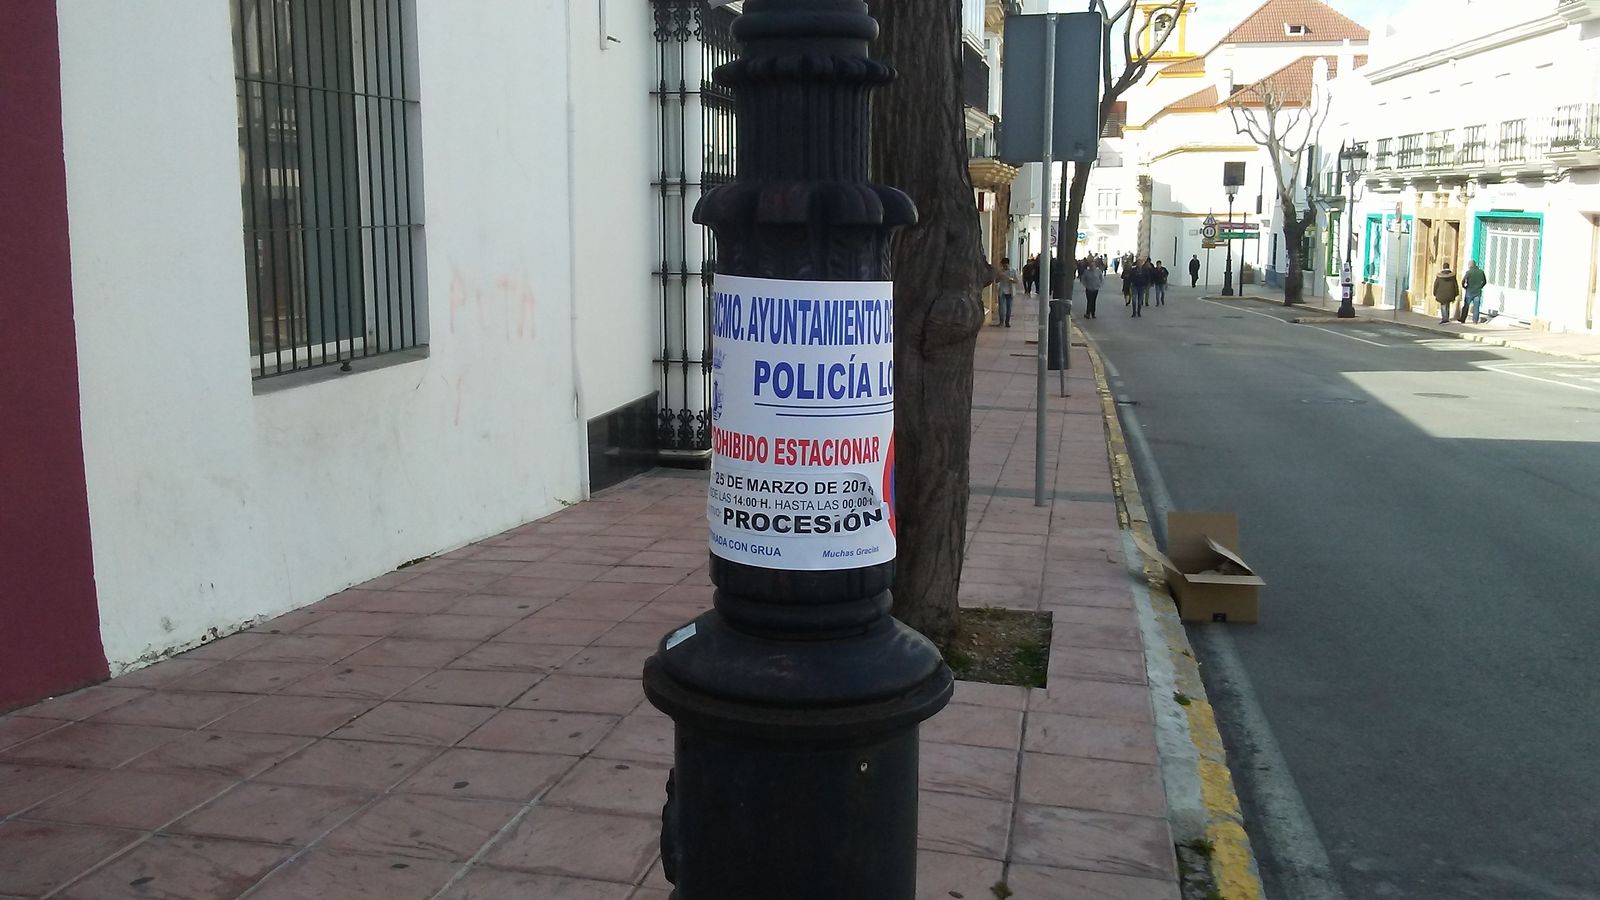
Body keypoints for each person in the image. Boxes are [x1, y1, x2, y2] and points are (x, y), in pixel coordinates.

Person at [1458, 259, 1487, 324]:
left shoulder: (1469, 272)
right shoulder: (1481, 272)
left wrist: (1465, 287)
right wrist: (1480, 286)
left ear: (1470, 265)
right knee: (1476, 307)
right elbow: (1485, 281)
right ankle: (1475, 320)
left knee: (1466, 306)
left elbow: (1463, 281)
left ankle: (1463, 319)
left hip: (1469, 291)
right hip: (1477, 291)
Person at [996, 256, 1019, 327]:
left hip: (1010, 291)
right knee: (1001, 308)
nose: (1004, 267)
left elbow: (1017, 281)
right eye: (1003, 265)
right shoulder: (1000, 271)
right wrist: (999, 277)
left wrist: (1011, 280)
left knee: (1009, 307)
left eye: (1005, 265)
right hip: (1002, 291)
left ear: (1008, 264)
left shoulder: (1013, 271)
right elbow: (996, 280)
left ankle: (1007, 322)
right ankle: (1001, 321)